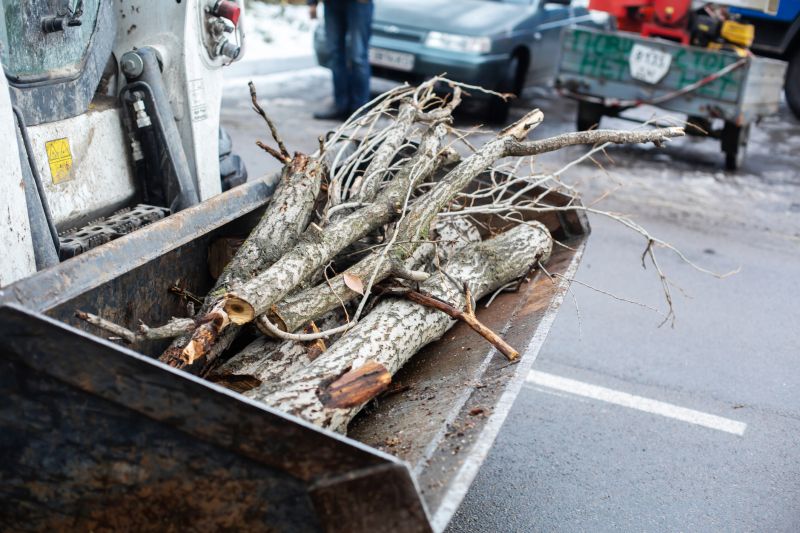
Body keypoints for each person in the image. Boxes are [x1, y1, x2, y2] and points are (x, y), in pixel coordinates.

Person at [308, 0, 374, 120]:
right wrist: (312, 3)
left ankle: (360, 109)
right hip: (332, 4)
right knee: (335, 55)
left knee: (358, 57)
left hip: (359, 4)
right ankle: (340, 106)